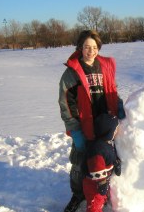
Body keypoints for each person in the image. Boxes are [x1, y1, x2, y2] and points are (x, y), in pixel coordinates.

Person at [58, 30, 125, 212]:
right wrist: (74, 129)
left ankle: (102, 193)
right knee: (80, 162)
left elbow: (112, 89)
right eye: (87, 47)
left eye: (95, 47)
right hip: (83, 125)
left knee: (105, 157)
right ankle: (78, 194)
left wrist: (119, 106)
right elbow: (66, 103)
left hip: (104, 123)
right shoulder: (71, 73)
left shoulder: (105, 66)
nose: (91, 51)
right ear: (80, 47)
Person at [83, 113, 121, 212]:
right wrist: (102, 182)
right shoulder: (97, 149)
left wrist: (115, 163)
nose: (116, 131)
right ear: (108, 131)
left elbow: (109, 157)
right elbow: (96, 167)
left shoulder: (106, 144)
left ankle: (102, 201)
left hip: (101, 181)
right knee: (95, 202)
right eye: (115, 129)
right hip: (93, 183)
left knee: (101, 197)